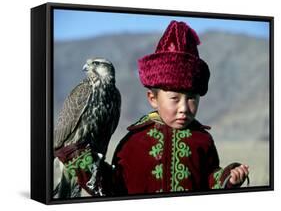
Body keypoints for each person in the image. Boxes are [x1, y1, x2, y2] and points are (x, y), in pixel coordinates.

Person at [54, 20, 249, 198]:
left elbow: (208, 180)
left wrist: (227, 178)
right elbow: (115, 186)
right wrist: (81, 162)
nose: (183, 108)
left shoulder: (202, 140)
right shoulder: (134, 141)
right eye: (174, 99)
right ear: (152, 99)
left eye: (191, 99)